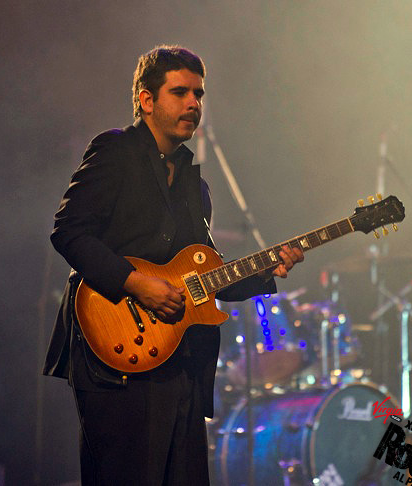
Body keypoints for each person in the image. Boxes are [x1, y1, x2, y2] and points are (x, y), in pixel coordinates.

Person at [43, 45, 304, 486]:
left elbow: (206, 280)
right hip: (114, 356)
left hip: (180, 362)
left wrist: (267, 270)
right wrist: (135, 283)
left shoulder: (195, 187)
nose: (194, 103)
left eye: (198, 94)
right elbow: (68, 231)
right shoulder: (115, 150)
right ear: (146, 100)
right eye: (180, 92)